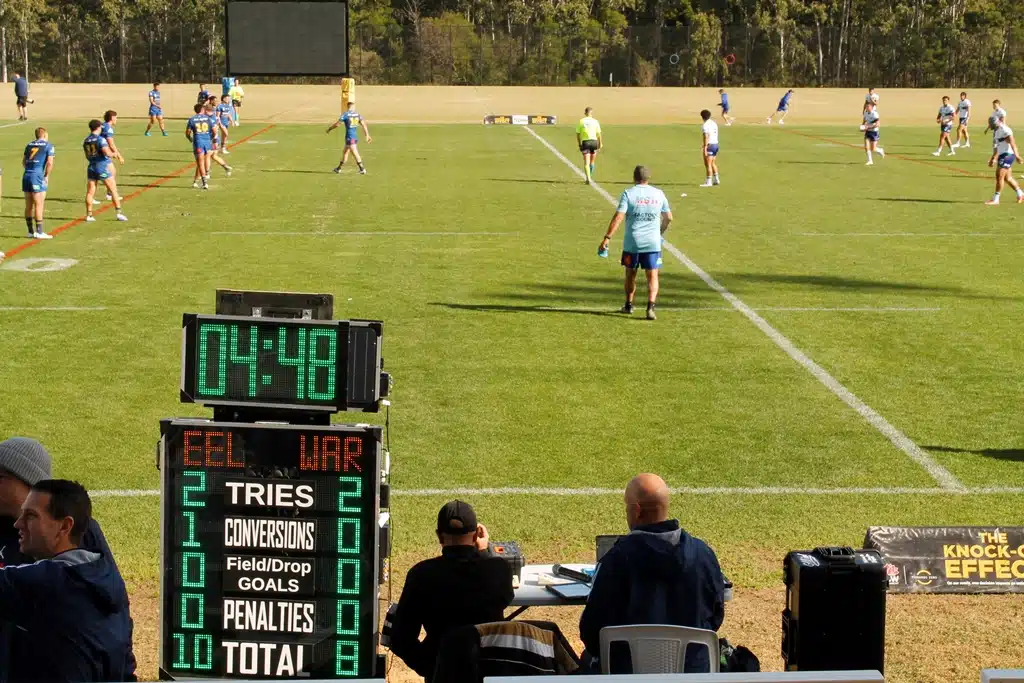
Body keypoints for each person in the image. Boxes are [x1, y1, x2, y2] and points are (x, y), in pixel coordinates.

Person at [579, 473, 726, 674]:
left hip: (627, 678)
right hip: (692, 676)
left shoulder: (616, 561)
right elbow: (715, 618)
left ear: (637, 511)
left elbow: (591, 633)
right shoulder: (704, 555)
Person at [0, 479, 134, 682]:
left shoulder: (46, 583)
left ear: (64, 526)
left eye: (31, 516)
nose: (18, 524)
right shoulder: (106, 575)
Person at [388, 500, 514, 680]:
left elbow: (400, 639)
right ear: (475, 536)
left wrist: (432, 668)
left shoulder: (421, 574)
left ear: (439, 537)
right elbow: (503, 595)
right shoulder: (499, 569)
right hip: (488, 672)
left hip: (442, 673)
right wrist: (484, 552)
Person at [598, 165, 672, 321]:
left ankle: (629, 305)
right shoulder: (659, 194)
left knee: (630, 274)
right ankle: (650, 307)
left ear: (634, 177)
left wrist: (607, 237)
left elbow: (619, 217)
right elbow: (668, 218)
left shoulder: (628, 193)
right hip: (652, 242)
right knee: (652, 275)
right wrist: (659, 232)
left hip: (633, 243)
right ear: (648, 178)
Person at [83, 119, 127, 222]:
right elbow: (107, 153)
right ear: (98, 127)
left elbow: (87, 154)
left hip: (91, 167)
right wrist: (114, 154)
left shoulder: (86, 140)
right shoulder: (100, 139)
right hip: (101, 166)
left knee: (90, 192)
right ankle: (119, 213)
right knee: (113, 190)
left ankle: (89, 215)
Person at [22, 128, 54, 240]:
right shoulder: (48, 145)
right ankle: (39, 232)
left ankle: (30, 232)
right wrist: (46, 175)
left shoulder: (29, 145)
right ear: (44, 135)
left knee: (28, 205)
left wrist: (30, 169)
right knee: (39, 204)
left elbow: (24, 162)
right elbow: (50, 163)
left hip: (26, 175)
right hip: (37, 176)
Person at [985, 113, 1024, 205]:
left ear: (996, 123)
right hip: (1002, 155)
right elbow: (996, 147)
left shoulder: (1005, 130)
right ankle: (1021, 194)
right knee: (1008, 178)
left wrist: (1017, 156)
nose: (990, 126)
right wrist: (993, 159)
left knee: (999, 176)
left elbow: (1013, 144)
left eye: (991, 124)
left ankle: (996, 199)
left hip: (1008, 155)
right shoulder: (996, 131)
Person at [326, 101, 371, 174]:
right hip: (354, 136)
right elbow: (364, 125)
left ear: (347, 107)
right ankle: (338, 168)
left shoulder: (346, 114)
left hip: (350, 137)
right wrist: (367, 135)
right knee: (345, 152)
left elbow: (337, 124)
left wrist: (330, 129)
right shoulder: (357, 114)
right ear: (353, 107)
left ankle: (362, 168)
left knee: (354, 152)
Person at [186, 103, 213, 189]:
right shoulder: (207, 118)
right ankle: (196, 181)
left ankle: (204, 183)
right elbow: (214, 130)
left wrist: (190, 139)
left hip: (198, 142)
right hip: (207, 142)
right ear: (202, 110)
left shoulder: (192, 119)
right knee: (204, 161)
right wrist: (210, 138)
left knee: (200, 163)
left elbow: (187, 133)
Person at [203, 100, 233, 178]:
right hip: (215, 139)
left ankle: (207, 173)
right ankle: (226, 167)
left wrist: (214, 140)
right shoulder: (214, 117)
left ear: (207, 110)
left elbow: (215, 130)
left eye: (204, 110)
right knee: (214, 156)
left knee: (207, 156)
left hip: (212, 140)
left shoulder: (209, 118)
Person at [100, 110, 125, 201]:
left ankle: (109, 193)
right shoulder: (108, 129)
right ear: (112, 118)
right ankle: (111, 194)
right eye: (116, 118)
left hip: (101, 152)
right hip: (102, 153)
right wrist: (119, 156)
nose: (116, 119)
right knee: (106, 174)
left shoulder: (103, 125)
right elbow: (111, 144)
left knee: (112, 172)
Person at [575, 106, 603, 183]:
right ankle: (590, 175)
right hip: (594, 142)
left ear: (585, 113)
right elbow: (599, 134)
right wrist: (600, 143)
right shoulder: (595, 121)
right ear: (591, 113)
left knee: (586, 163)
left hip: (586, 142)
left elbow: (578, 134)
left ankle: (588, 178)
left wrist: (579, 144)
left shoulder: (581, 121)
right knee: (592, 161)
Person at [699, 109, 720, 187]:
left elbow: (706, 136)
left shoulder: (705, 125)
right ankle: (716, 179)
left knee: (708, 164)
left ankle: (709, 182)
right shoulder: (713, 123)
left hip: (710, 145)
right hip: (716, 144)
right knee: (712, 163)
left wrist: (705, 147)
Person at [861, 101, 884, 165]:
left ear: (871, 107)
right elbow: (864, 120)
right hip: (868, 132)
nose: (867, 107)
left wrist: (868, 127)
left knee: (873, 149)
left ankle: (880, 150)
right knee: (866, 147)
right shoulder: (865, 113)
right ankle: (870, 161)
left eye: (868, 106)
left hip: (874, 132)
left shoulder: (875, 114)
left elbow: (878, 124)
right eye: (866, 106)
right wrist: (862, 126)